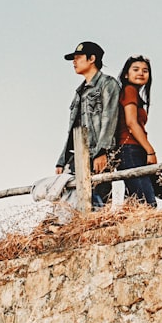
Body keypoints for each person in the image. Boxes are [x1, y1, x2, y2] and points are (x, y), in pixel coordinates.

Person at [55, 41, 122, 209]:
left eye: (78, 57)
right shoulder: (79, 92)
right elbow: (73, 129)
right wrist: (62, 161)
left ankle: (102, 232)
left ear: (92, 58)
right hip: (77, 155)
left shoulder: (108, 84)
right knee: (71, 200)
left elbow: (109, 118)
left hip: (98, 153)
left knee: (100, 200)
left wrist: (103, 151)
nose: (74, 62)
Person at [113, 55, 158, 207]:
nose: (141, 73)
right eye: (136, 69)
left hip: (132, 150)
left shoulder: (133, 93)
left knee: (133, 205)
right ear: (126, 74)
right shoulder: (129, 90)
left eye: (145, 70)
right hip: (130, 150)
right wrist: (150, 151)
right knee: (147, 203)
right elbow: (131, 123)